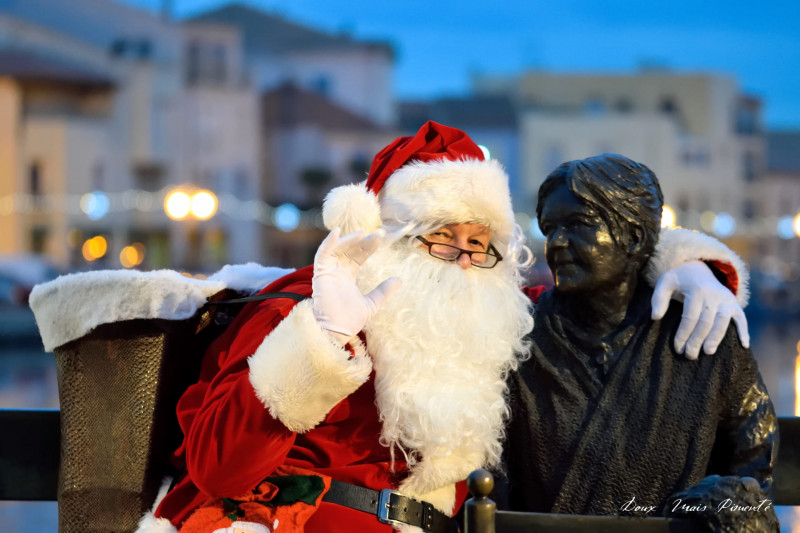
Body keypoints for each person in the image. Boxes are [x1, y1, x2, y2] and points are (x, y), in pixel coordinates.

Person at [137, 123, 750, 533]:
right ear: (387, 236)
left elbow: (595, 291)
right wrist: (322, 341)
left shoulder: (489, 313)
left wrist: (685, 265)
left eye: (479, 242)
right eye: (441, 236)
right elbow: (216, 470)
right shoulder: (301, 309)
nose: (462, 259)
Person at [502, 154, 778, 531]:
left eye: (578, 224)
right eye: (550, 228)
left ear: (633, 237)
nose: (556, 243)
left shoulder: (708, 334)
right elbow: (494, 480)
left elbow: (754, 464)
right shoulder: (518, 339)